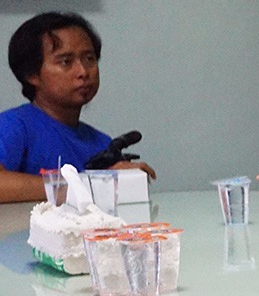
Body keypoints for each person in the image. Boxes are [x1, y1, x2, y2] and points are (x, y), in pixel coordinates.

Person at [1, 12, 155, 203]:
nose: (83, 72)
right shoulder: (13, 126)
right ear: (31, 74)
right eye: (66, 61)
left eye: (89, 59)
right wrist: (92, 184)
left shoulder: (101, 143)